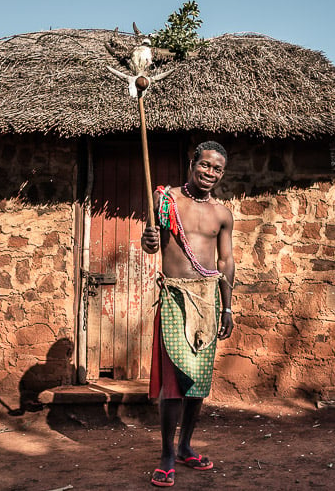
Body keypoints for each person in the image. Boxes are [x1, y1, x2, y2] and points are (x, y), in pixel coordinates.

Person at [141, 140, 235, 487]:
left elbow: (226, 261)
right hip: (175, 298)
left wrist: (227, 306)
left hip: (209, 301)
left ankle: (184, 447)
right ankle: (166, 454)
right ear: (192, 161)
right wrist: (149, 240)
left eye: (217, 169)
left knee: (198, 384)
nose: (210, 173)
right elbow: (149, 240)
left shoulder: (222, 215)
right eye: (205, 165)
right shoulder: (167, 201)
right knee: (174, 382)